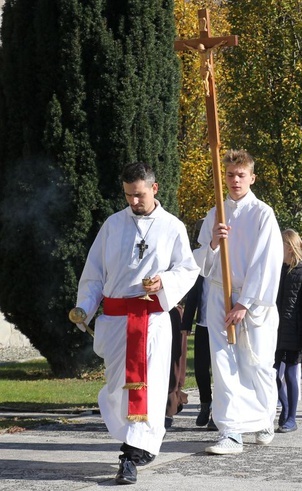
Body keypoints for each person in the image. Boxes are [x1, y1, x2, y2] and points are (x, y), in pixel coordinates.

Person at [73, 162, 199, 485]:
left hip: (152, 322)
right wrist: (84, 307)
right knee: (118, 390)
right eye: (128, 195)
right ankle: (142, 442)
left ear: (154, 189)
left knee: (149, 389)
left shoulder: (172, 227)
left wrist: (164, 282)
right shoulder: (112, 226)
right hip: (116, 323)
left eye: (139, 195)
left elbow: (187, 269)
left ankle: (129, 455)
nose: (133, 201)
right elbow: (94, 273)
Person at [195, 150, 284, 454]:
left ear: (251, 178)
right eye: (230, 175)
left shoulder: (262, 214)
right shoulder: (214, 214)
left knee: (256, 362)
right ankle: (231, 432)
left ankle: (263, 418)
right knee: (223, 365)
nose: (234, 180)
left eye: (240, 175)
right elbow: (201, 263)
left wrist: (245, 302)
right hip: (220, 294)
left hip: (253, 299)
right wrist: (212, 243)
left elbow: (267, 262)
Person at [275, 229, 302, 433]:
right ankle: (284, 407)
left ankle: (291, 417)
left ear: (290, 247)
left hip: (295, 334)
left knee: (291, 375)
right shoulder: (276, 270)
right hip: (275, 332)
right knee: (271, 374)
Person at [181, 219, 216, 429]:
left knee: (220, 370)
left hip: (221, 324)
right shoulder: (199, 259)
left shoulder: (227, 258)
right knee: (202, 369)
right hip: (203, 324)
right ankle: (205, 404)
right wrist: (187, 323)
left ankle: (218, 413)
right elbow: (194, 294)